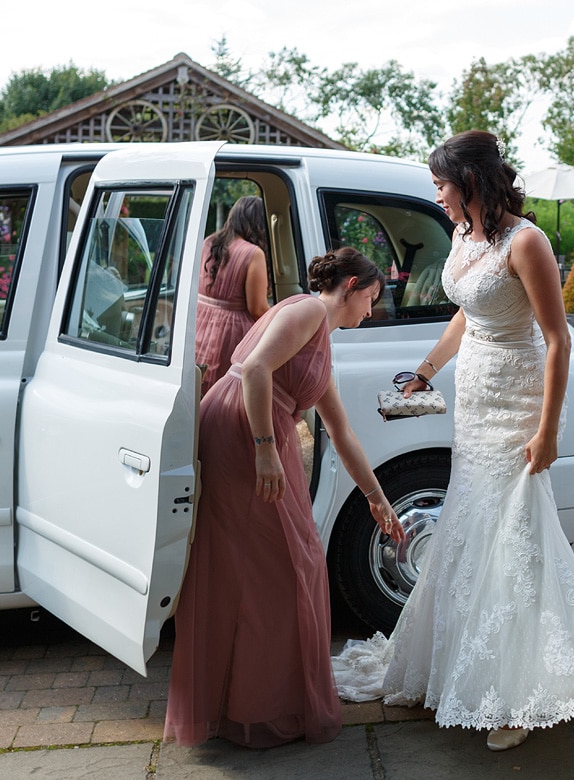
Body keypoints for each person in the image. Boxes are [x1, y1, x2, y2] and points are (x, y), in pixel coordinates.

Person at [332, 131, 574, 751]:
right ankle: (458, 664)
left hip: (519, 408)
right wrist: (427, 370)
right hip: (475, 403)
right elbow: (467, 312)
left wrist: (547, 430)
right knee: (472, 531)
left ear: (472, 183)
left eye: (441, 184)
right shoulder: (464, 235)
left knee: (516, 541)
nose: (437, 195)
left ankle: (515, 695)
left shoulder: (527, 241)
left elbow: (558, 339)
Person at [165, 247, 406, 748]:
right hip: (244, 433)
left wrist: (377, 498)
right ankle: (260, 704)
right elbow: (254, 370)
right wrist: (265, 450)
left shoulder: (321, 337)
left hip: (256, 432)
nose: (372, 309)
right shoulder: (307, 310)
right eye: (372, 298)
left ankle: (256, 699)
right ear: (352, 287)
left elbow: (342, 433)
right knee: (290, 565)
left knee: (267, 568)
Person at [195, 195, 271, 394]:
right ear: (258, 223)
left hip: (200, 321)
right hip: (231, 331)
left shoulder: (208, 242)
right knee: (226, 393)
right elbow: (257, 308)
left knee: (198, 386)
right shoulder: (253, 253)